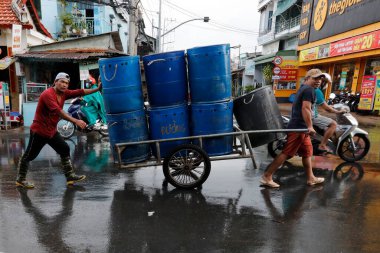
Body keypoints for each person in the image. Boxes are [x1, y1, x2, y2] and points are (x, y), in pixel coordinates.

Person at [16, 72, 103, 189]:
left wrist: (97, 89)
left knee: (64, 148)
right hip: (39, 131)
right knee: (29, 156)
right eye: (62, 82)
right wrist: (75, 121)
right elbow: (58, 111)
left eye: (67, 83)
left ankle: (70, 176)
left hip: (51, 131)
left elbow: (80, 92)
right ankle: (20, 180)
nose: (64, 85)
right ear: (55, 82)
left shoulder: (63, 93)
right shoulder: (48, 94)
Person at [261, 69, 326, 188]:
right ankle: (267, 176)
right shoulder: (309, 90)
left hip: (301, 128)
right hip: (298, 128)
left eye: (320, 79)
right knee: (287, 153)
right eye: (315, 78)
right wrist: (310, 126)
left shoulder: (304, 88)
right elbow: (305, 108)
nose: (318, 81)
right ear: (307, 78)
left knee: (307, 153)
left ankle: (311, 178)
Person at [313, 73, 343, 153]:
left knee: (324, 121)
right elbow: (327, 108)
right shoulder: (317, 91)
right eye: (326, 83)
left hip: (311, 113)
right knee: (333, 124)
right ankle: (322, 145)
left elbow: (324, 104)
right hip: (312, 115)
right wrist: (338, 111)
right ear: (323, 82)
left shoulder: (309, 88)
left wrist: (332, 106)